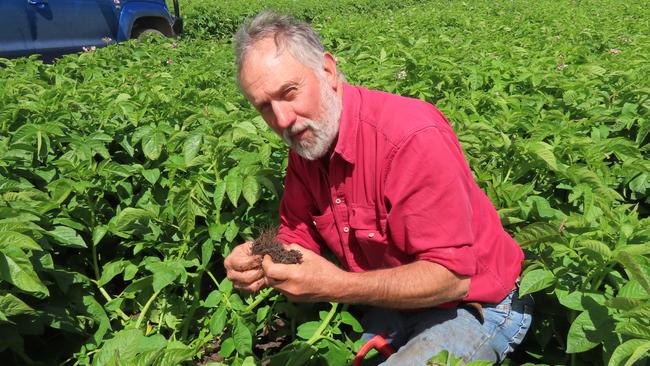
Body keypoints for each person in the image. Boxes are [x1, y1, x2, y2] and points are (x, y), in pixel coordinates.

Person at [224, 10, 533, 365]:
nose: (282, 120)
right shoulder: (308, 146)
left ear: (327, 70)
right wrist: (262, 259)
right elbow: (298, 240)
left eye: (289, 92)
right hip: (392, 302)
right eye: (265, 107)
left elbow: (452, 278)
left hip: (477, 306)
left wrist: (336, 285)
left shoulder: (410, 138)